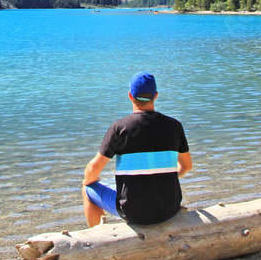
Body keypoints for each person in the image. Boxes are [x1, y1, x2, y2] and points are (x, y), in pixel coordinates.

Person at [82, 71, 192, 227]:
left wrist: (88, 180)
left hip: (134, 213)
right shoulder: (174, 126)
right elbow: (187, 166)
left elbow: (94, 169)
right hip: (169, 209)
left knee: (88, 190)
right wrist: (164, 180)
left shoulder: (120, 128)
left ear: (130, 96)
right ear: (156, 95)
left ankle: (94, 240)